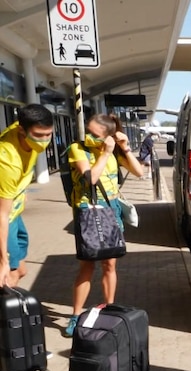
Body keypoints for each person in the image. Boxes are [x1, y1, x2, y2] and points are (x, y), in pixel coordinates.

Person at [65, 113, 144, 336]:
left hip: (111, 209)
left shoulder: (114, 151)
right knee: (87, 264)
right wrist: (105, 153)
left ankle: (108, 308)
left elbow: (139, 172)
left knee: (110, 264)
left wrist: (124, 147)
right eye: (87, 131)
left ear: (107, 135)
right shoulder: (78, 149)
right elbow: (90, 178)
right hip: (87, 210)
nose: (88, 136)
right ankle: (75, 315)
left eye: (94, 133)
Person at [0, 104, 54, 288]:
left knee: (21, 271)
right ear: (22, 131)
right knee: (9, 277)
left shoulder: (19, 127)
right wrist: (3, 261)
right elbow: (1, 215)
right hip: (4, 218)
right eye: (38, 135)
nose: (44, 141)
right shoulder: (7, 160)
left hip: (13, 214)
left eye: (48, 134)